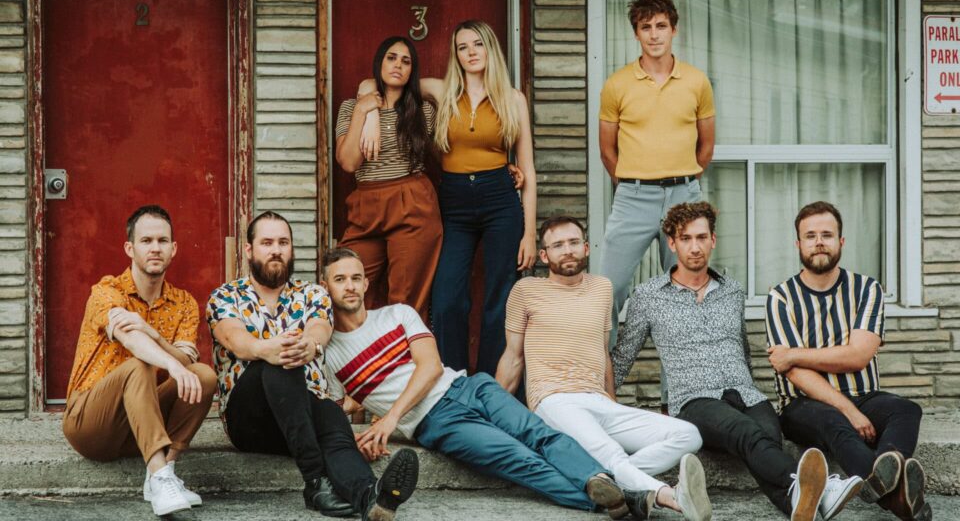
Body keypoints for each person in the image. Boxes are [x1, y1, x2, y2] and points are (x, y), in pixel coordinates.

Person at [320, 247, 633, 520]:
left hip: (470, 387)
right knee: (520, 459)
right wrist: (363, 440)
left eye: (356, 278)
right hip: (438, 422)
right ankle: (620, 502)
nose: (351, 286)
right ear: (325, 287)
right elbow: (339, 410)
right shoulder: (329, 354)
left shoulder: (397, 314)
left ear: (366, 282)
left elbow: (429, 368)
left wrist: (389, 419)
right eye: (340, 279)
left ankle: (597, 479)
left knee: (538, 434)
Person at [613, 202, 862, 521]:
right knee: (747, 432)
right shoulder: (648, 296)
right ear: (672, 244)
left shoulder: (732, 290)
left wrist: (752, 387)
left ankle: (802, 506)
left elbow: (741, 347)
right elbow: (622, 356)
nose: (694, 247)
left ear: (713, 240)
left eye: (701, 237)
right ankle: (824, 489)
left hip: (746, 393)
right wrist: (604, 407)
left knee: (768, 439)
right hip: (695, 399)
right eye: (685, 239)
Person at [496, 215, 710, 521]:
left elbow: (603, 352)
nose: (567, 250)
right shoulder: (526, 291)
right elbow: (512, 357)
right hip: (553, 399)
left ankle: (613, 481)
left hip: (598, 400)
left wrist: (611, 402)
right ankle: (672, 497)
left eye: (573, 243)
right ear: (544, 256)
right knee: (610, 451)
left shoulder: (601, 288)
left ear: (586, 248)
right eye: (557, 245)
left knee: (689, 434)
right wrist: (499, 416)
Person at [207, 211, 418, 521]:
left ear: (292, 249)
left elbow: (320, 327)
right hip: (250, 418)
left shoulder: (312, 294)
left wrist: (310, 344)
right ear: (249, 250)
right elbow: (236, 339)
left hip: (303, 414)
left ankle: (372, 498)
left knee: (332, 416)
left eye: (283, 242)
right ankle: (314, 482)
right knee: (279, 361)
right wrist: (270, 349)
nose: (276, 249)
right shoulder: (225, 296)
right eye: (266, 243)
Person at [766, 201, 930, 521]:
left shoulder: (867, 288)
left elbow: (858, 356)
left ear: (841, 241)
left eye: (827, 234)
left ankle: (888, 474)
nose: (819, 242)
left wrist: (793, 354)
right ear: (798, 244)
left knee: (907, 409)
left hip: (865, 394)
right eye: (810, 235)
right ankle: (898, 498)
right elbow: (797, 376)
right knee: (834, 422)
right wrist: (848, 409)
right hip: (803, 404)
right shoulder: (781, 297)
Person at [62, 205, 217, 517]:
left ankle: (163, 472)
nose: (155, 248)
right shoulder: (107, 291)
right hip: (90, 423)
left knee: (203, 375)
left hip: (140, 425)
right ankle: (160, 475)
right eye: (146, 241)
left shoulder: (184, 303)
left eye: (162, 241)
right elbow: (130, 339)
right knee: (138, 364)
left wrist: (155, 335)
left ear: (174, 249)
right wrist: (170, 362)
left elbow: (186, 359)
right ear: (130, 249)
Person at [598, 0, 716, 349]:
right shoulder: (617, 84)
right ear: (636, 33)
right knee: (608, 289)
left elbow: (706, 145)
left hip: (684, 198)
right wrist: (634, 182)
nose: (654, 34)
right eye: (645, 26)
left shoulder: (696, 81)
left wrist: (682, 181)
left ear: (673, 30)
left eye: (661, 26)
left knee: (684, 290)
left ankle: (679, 396)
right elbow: (607, 149)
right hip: (633, 197)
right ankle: (600, 385)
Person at [426, 19, 537, 375]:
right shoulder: (441, 91)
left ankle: (491, 386)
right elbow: (380, 83)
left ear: (490, 49)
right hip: (455, 202)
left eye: (478, 45)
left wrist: (530, 233)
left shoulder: (513, 99)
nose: (471, 53)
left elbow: (528, 170)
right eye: (462, 47)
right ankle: (452, 382)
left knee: (500, 298)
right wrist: (366, 113)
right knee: (446, 298)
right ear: (455, 55)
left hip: (500, 199)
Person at [335, 36, 442, 317]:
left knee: (405, 299)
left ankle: (404, 359)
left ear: (412, 71)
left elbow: (451, 151)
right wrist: (364, 111)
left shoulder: (423, 111)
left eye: (406, 62)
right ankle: (356, 360)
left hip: (412, 203)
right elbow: (348, 161)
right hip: (366, 206)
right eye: (391, 58)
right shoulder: (351, 107)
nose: (398, 65)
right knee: (348, 285)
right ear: (378, 63)